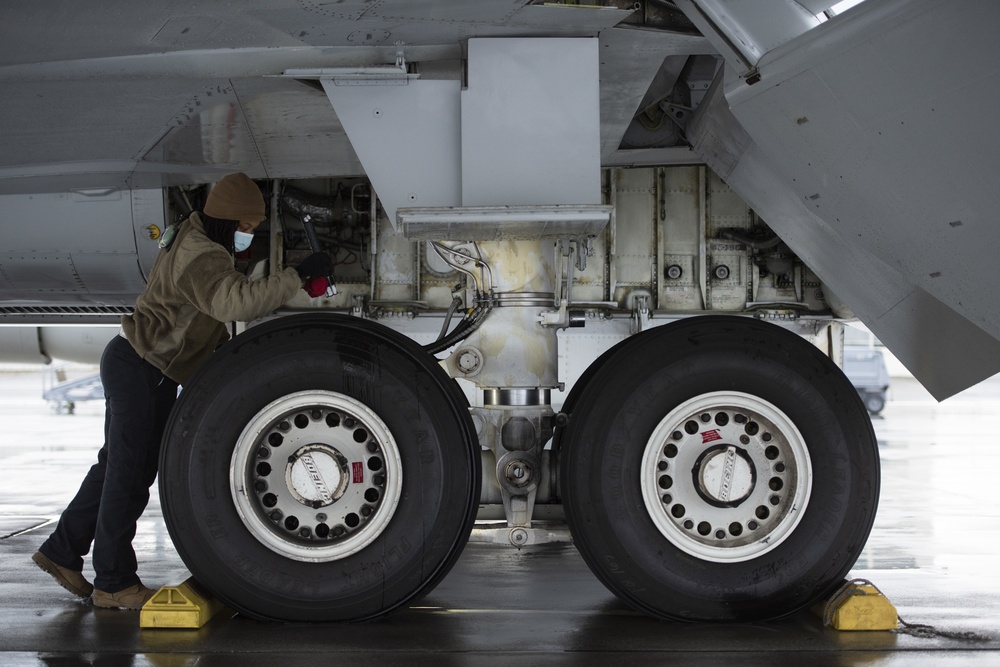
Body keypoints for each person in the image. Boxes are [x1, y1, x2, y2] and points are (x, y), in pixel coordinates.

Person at [31, 172, 333, 609]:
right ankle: (113, 583)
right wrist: (297, 276)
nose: (249, 236)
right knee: (129, 476)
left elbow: (202, 320)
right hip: (143, 367)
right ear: (229, 221)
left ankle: (62, 550)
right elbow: (233, 303)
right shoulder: (201, 255)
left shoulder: (196, 237)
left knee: (117, 466)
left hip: (139, 363)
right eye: (246, 228)